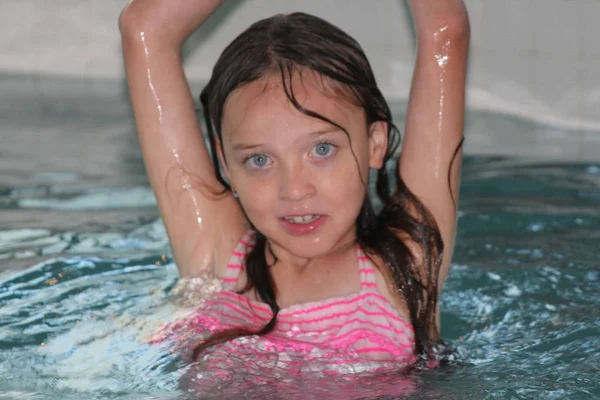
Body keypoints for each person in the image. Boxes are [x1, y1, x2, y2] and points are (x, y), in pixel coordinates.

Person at [119, 0, 469, 372]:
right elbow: (145, 30)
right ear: (224, 161)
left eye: (322, 149)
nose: (295, 190)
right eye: (260, 160)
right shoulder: (218, 258)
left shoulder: (405, 268)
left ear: (375, 144)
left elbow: (446, 32)